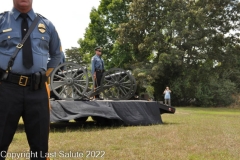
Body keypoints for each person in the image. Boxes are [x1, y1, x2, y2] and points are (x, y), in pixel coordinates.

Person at [0, 0, 62, 159]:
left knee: (40, 146)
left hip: (37, 90)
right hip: (6, 89)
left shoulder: (47, 25)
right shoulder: (1, 21)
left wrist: (44, 76)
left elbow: (57, 55)